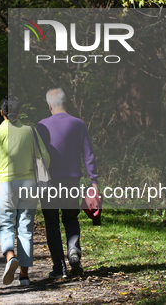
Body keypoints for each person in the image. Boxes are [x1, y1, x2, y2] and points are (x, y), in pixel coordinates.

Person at [0, 96, 50, 286]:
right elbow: (45, 159)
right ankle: (25, 276)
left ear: (1, 113)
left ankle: (10, 257)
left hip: (5, 185)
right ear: (19, 112)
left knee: (5, 224)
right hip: (29, 185)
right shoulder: (31, 132)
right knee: (25, 227)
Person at [36, 88, 98, 278]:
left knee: (52, 223)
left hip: (49, 183)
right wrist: (94, 181)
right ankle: (73, 249)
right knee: (71, 218)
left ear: (49, 105)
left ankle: (59, 268)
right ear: (66, 102)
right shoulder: (79, 124)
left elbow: (37, 157)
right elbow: (89, 154)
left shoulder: (41, 126)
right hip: (72, 180)